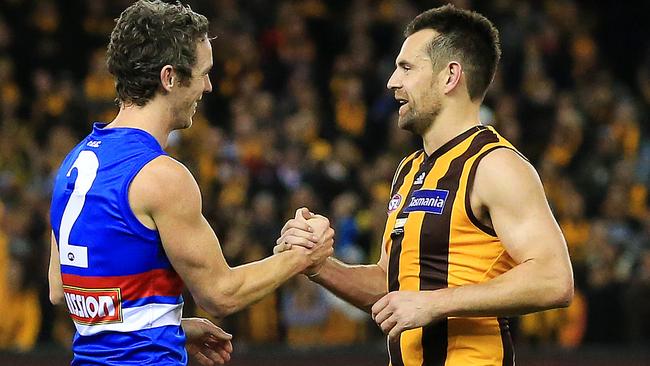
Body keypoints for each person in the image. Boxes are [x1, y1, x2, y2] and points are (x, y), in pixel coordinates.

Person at [276, 4, 574, 365]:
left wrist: (434, 302)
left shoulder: (495, 165)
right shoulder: (410, 169)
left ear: (450, 76)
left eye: (406, 67)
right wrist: (318, 265)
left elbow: (554, 278)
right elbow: (393, 285)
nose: (391, 81)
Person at [47, 1, 333, 365]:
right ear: (169, 78)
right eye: (203, 72)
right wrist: (302, 256)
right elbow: (220, 295)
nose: (209, 86)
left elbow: (61, 288)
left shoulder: (73, 162)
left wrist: (170, 327)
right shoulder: (160, 175)